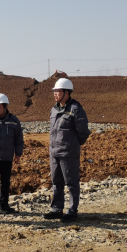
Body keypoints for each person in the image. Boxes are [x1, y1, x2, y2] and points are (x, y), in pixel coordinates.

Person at [43, 78, 90, 221]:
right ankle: (56, 209)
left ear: (67, 92)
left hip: (68, 153)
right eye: (54, 91)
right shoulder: (54, 109)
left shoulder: (76, 109)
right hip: (54, 153)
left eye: (58, 91)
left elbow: (83, 132)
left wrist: (72, 145)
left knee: (71, 183)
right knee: (56, 182)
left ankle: (72, 211)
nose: (55, 94)